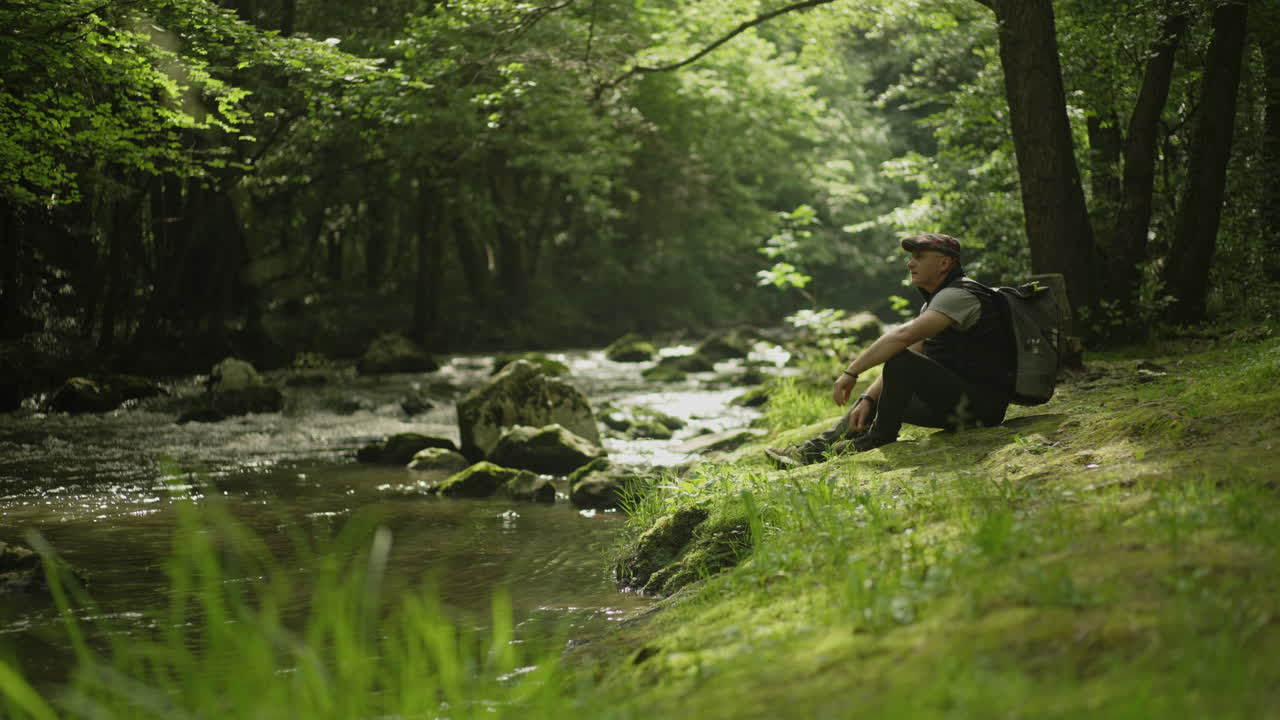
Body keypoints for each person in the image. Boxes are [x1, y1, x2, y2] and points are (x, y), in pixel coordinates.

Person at [766, 233, 1012, 467]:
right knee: (878, 394)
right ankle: (808, 453)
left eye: (919, 257)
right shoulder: (937, 301)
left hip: (982, 408)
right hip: (958, 404)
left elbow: (902, 338)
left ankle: (878, 437)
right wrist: (867, 398)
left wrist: (851, 372)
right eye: (911, 257)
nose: (910, 263)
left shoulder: (960, 296)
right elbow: (915, 351)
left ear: (944, 263)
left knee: (899, 360)